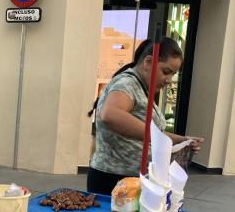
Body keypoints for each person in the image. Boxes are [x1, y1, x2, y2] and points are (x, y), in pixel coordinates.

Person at [87, 37, 204, 195]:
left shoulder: (142, 88)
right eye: (166, 72)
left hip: (131, 179)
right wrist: (156, 137)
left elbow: (152, 132)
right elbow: (110, 115)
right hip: (114, 181)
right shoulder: (127, 84)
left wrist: (182, 140)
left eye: (173, 74)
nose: (169, 80)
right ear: (148, 62)